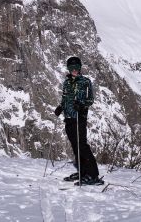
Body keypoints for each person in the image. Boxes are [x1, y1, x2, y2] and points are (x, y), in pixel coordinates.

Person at [54, 56, 104, 186]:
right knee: (75, 146)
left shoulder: (85, 81)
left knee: (82, 145)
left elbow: (90, 100)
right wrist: (60, 107)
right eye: (72, 68)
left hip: (79, 117)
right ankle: (82, 172)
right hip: (69, 118)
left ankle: (93, 175)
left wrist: (81, 105)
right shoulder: (66, 82)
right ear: (69, 69)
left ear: (80, 68)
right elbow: (65, 98)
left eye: (77, 68)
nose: (75, 70)